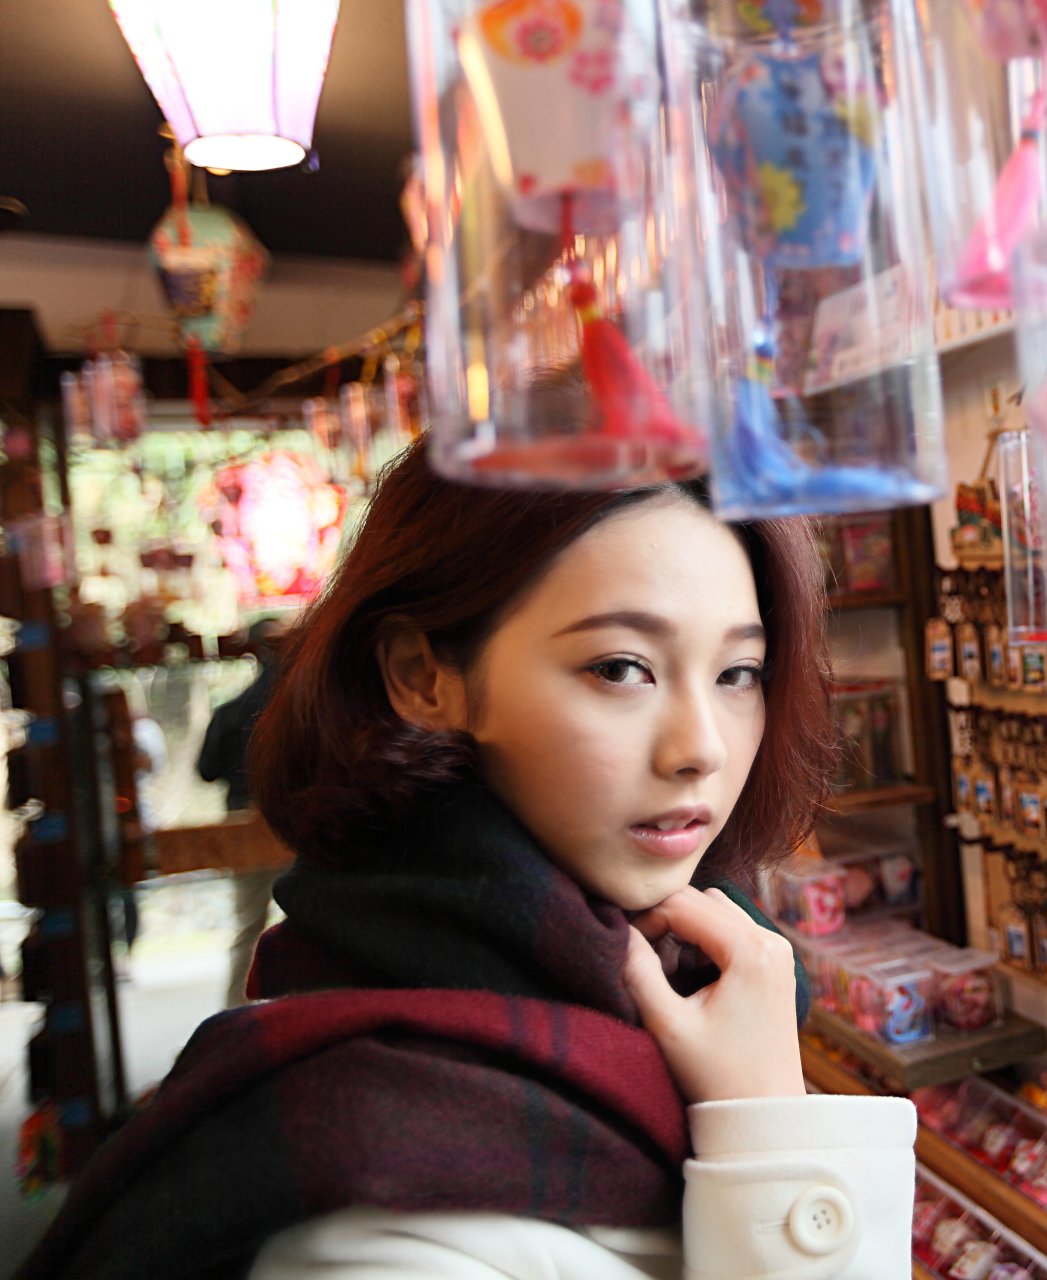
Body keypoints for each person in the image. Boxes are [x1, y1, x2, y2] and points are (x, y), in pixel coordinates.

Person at [21, 440, 914, 1279]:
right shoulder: (370, 1182)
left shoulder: (698, 972)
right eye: (620, 667)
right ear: (424, 676)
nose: (702, 748)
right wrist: (769, 1133)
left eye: (738, 674)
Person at [195, 618, 287, 1008]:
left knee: (248, 924)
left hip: (241, 823)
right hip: (293, 819)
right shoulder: (299, 708)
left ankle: (237, 1008)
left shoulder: (232, 710)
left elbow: (206, 770)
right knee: (309, 913)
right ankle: (303, 1005)